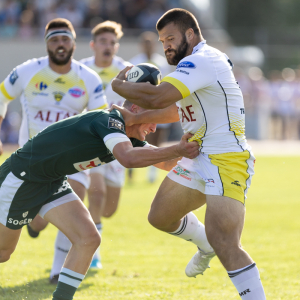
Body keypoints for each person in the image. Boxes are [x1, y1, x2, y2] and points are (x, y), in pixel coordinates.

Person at [111, 8, 266, 300]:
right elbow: (176, 108)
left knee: (226, 242)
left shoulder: (202, 60)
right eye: (162, 40)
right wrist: (134, 119)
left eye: (171, 37)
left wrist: (118, 86)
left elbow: (159, 97)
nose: (166, 45)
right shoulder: (193, 65)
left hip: (226, 158)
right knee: (159, 217)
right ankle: (204, 244)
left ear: (191, 35)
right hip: (197, 155)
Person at [0, 103, 200, 300]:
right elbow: (128, 158)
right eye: (152, 121)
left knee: (88, 239)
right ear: (136, 110)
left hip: (51, 181)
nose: (154, 128)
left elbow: (165, 162)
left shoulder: (129, 137)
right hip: (22, 178)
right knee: (4, 252)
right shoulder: (109, 120)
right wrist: (178, 149)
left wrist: (203, 155)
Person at [0, 18, 107, 283]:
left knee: (78, 193)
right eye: (55, 40)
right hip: (32, 162)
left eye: (65, 39)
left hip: (71, 159)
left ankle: (58, 270)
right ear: (47, 43)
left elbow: (101, 119)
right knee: (35, 223)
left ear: (73, 42)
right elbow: (1, 98)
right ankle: (35, 224)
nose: (60, 45)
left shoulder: (88, 78)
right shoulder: (27, 71)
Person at [75, 20, 131, 270]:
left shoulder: (128, 72)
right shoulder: (81, 69)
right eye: (103, 42)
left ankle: (91, 227)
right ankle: (91, 252)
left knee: (110, 208)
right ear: (93, 45)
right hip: (91, 142)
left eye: (112, 42)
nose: (108, 46)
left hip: (120, 143)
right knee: (95, 194)